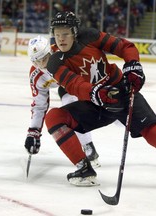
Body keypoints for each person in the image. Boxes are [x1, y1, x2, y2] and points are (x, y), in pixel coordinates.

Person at [32, 11, 156, 191]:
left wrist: (133, 66)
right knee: (55, 117)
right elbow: (74, 85)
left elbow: (124, 47)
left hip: (122, 92)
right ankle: (84, 169)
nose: (61, 38)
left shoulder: (90, 36)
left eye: (65, 33)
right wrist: (96, 92)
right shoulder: (55, 62)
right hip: (95, 104)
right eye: (57, 34)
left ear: (75, 32)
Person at [24, 35, 100, 168]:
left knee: (113, 112)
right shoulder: (36, 76)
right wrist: (33, 132)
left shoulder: (64, 55)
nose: (42, 65)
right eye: (36, 62)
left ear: (51, 52)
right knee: (71, 107)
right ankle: (88, 147)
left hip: (84, 82)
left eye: (44, 59)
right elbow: (39, 105)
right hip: (66, 87)